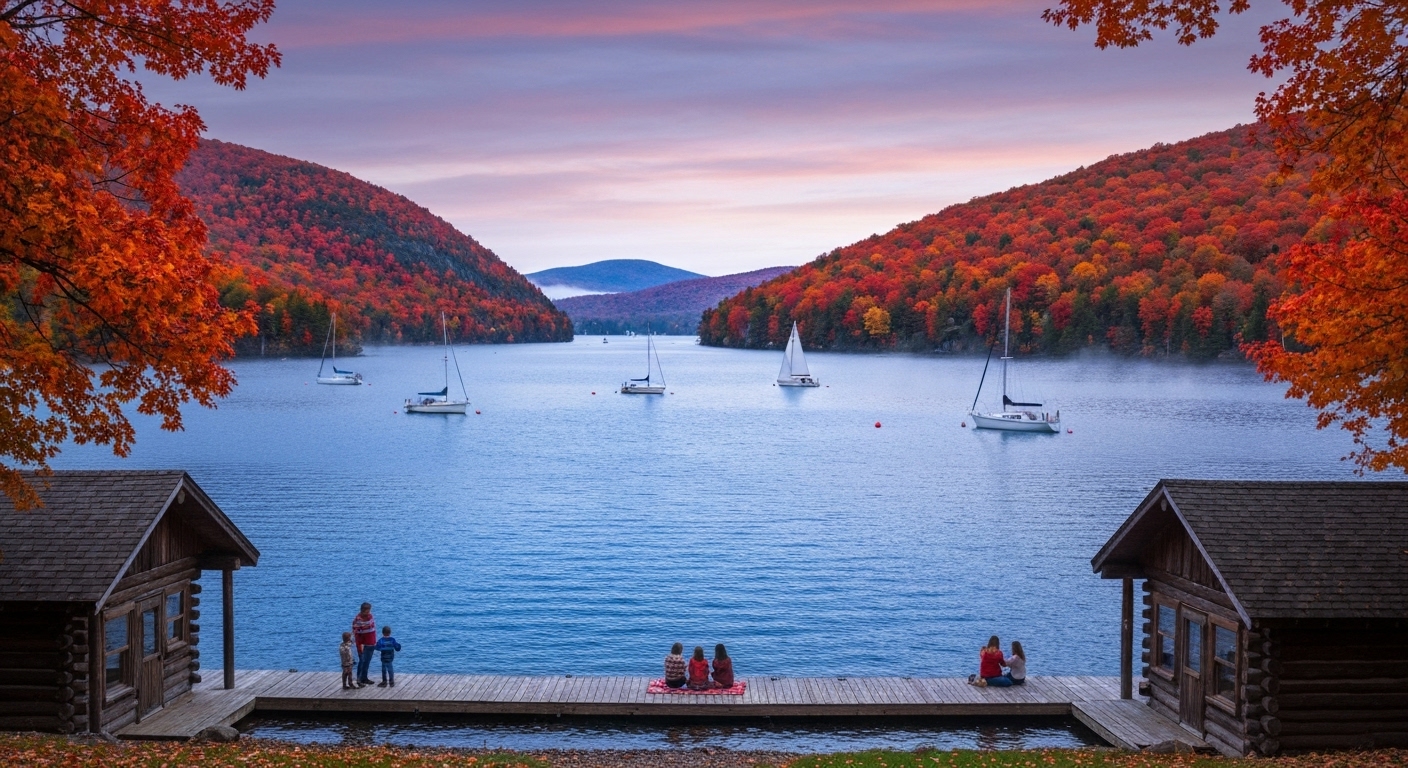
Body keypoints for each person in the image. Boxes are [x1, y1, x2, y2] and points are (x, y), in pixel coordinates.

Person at [352, 602, 377, 687]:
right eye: (367, 611)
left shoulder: (370, 617)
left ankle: (364, 677)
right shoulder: (358, 619)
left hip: (371, 642)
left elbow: (371, 627)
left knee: (367, 661)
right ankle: (359, 679)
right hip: (362, 643)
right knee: (362, 661)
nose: (368, 613)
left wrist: (374, 642)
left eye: (369, 611)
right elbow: (356, 631)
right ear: (362, 610)